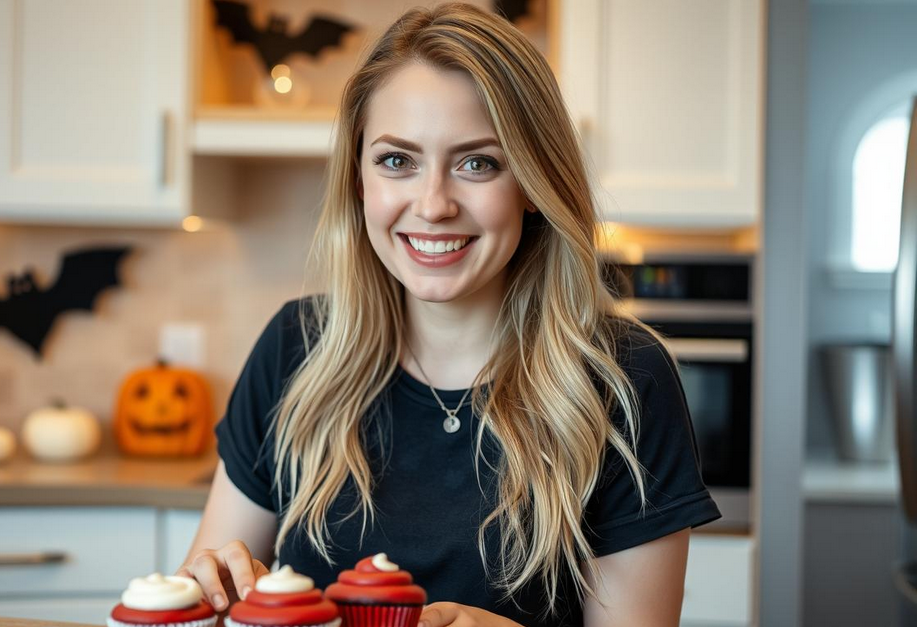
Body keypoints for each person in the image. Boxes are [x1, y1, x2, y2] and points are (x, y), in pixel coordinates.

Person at [177, 3, 721, 625]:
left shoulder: (625, 378)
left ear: (534, 183)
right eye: (396, 160)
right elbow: (214, 589)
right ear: (359, 178)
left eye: (478, 163)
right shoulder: (296, 349)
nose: (432, 205)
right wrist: (204, 597)